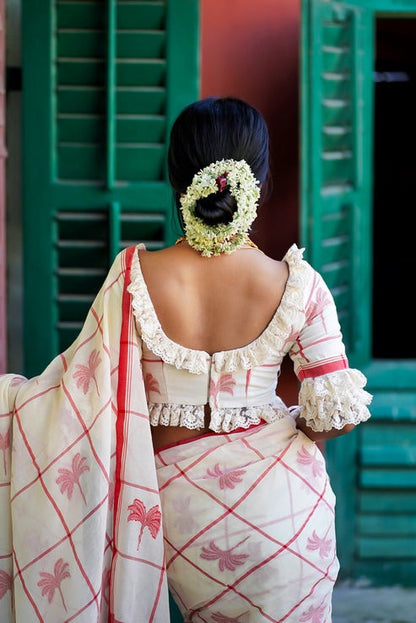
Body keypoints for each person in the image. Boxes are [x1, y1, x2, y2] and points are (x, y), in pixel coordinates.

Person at [0, 97, 371, 623]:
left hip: (179, 515)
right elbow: (335, 417)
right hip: (288, 511)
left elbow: (77, 392)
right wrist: (285, 423)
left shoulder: (133, 276)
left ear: (177, 180)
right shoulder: (298, 284)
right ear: (258, 183)